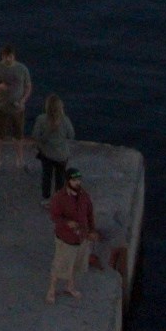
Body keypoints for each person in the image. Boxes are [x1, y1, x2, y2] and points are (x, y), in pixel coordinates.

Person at [46, 169, 97, 302]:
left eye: (78, 180)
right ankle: (51, 290)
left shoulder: (84, 196)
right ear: (68, 181)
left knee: (76, 264)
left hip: (82, 238)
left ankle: (70, 286)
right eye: (74, 180)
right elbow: (54, 216)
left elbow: (90, 214)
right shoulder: (59, 198)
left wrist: (92, 230)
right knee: (59, 265)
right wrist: (67, 223)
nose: (77, 182)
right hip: (66, 239)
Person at [0, 47, 32, 173]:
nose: (8, 59)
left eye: (10, 56)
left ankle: (20, 159)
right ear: (2, 57)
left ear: (14, 56)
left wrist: (23, 100)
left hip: (18, 109)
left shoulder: (22, 69)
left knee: (18, 136)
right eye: (6, 56)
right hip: (1, 108)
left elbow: (28, 86)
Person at [32, 88, 76, 199]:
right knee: (60, 178)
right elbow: (71, 135)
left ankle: (46, 199)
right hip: (61, 156)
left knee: (47, 177)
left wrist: (49, 131)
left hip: (47, 155)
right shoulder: (65, 120)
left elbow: (36, 137)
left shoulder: (41, 119)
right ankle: (58, 199)